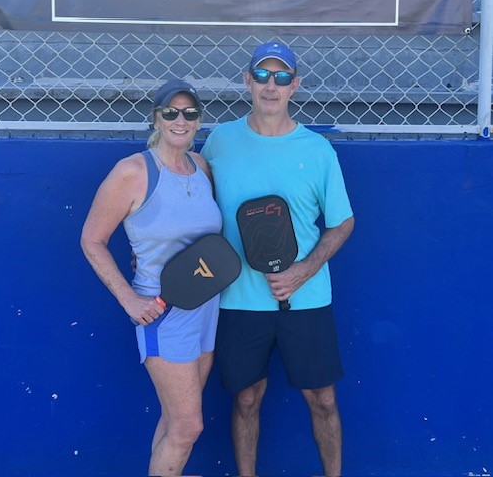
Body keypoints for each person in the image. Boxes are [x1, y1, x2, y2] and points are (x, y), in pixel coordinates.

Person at [201, 41, 354, 477]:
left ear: (295, 86)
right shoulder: (219, 141)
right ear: (247, 81)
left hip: (305, 300)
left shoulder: (318, 150)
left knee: (323, 400)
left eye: (282, 77)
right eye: (263, 75)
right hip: (238, 299)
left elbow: (342, 223)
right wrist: (155, 257)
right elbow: (193, 205)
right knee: (246, 398)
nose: (272, 85)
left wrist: (305, 271)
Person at [81, 78, 222, 477]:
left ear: (199, 121)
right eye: (171, 112)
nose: (181, 120)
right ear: (156, 118)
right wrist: (129, 298)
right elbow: (92, 240)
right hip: (163, 312)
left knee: (175, 419)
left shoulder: (202, 167)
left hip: (206, 307)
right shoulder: (132, 171)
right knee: (188, 425)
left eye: (190, 113)